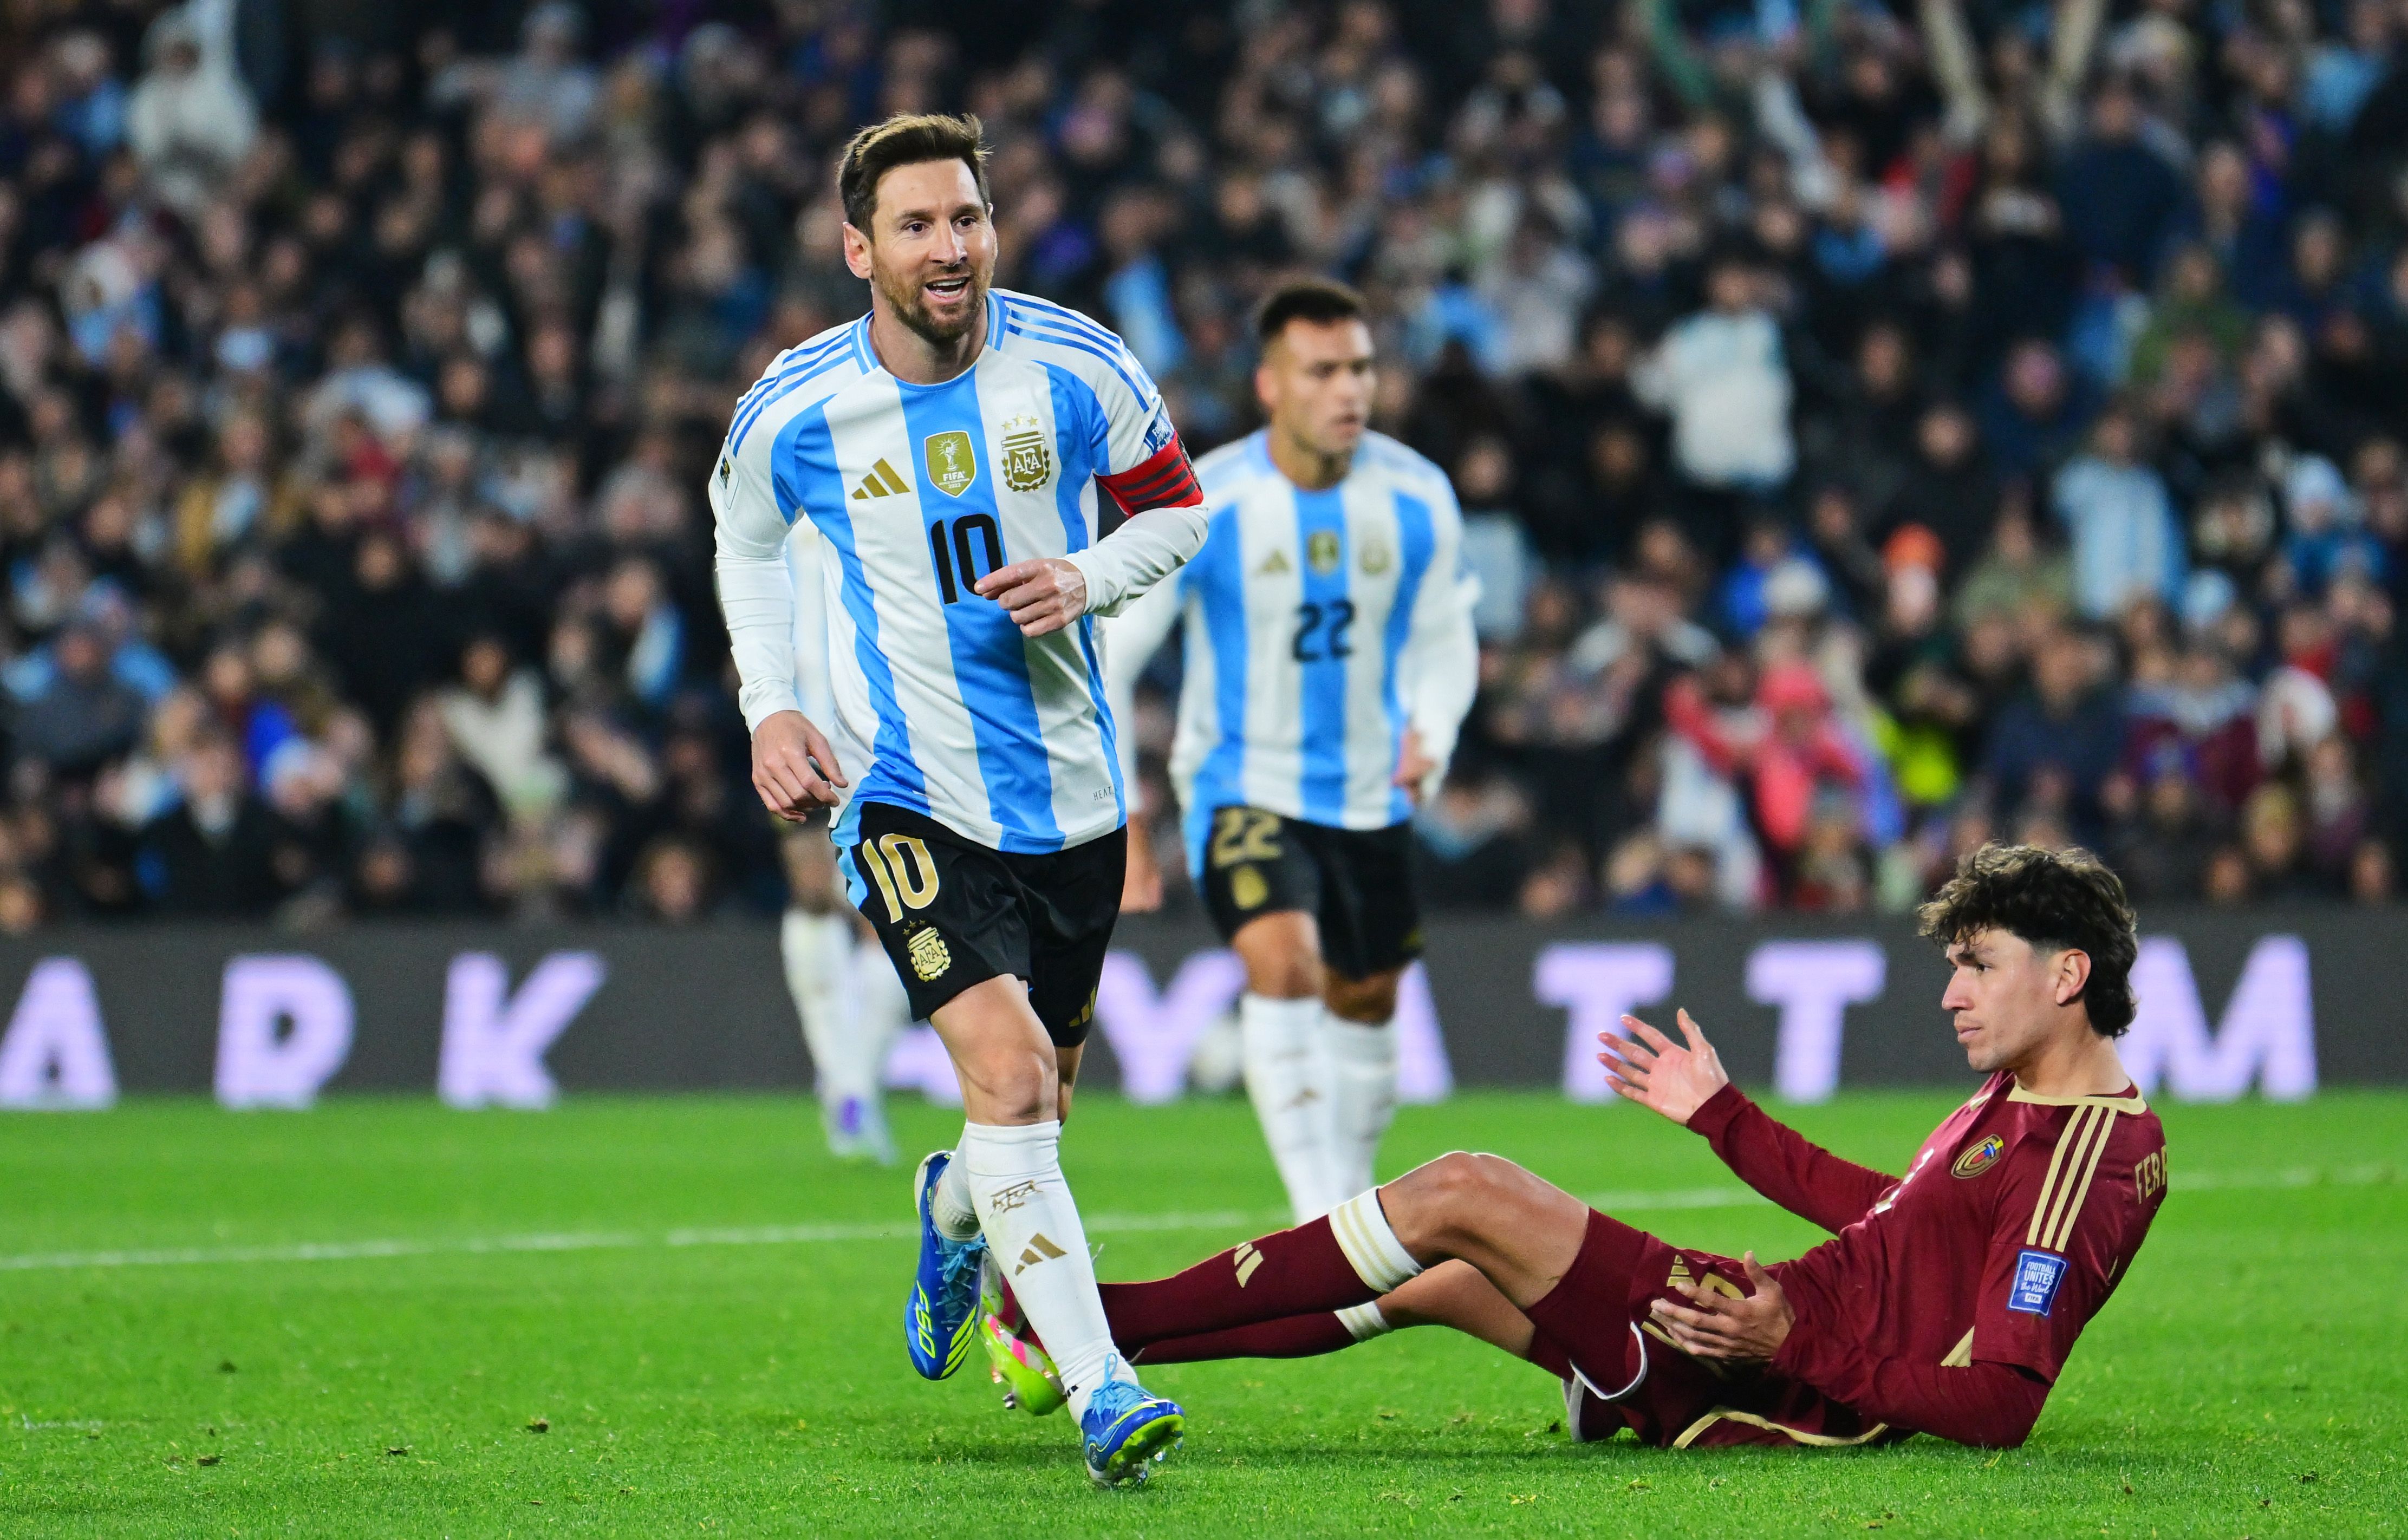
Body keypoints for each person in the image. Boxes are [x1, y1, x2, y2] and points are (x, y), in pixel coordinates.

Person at [986, 844, 2166, 1452]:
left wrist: (1791, 1342)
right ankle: (1097, 1334)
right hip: (1756, 1332)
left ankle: (1080, 1320)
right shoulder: (2019, 1102)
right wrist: (1724, 1119)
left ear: (2068, 976)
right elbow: (1897, 1222)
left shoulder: (2089, 1158)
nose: (1954, 993)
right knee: (1440, 1277)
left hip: (1777, 1382)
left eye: (1980, 966)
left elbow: (2005, 1400)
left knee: (1465, 1191)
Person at [708, 112, 1209, 1485]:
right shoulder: (798, 406)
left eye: (969, 220)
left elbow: (1177, 507)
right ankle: (1102, 1384)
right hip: (904, 790)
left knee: (1034, 1108)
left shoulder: (1078, 363)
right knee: (1006, 1072)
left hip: (1074, 796)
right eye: (919, 225)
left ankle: (950, 1201)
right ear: (857, 246)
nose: (950, 247)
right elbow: (743, 546)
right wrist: (775, 706)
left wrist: (1089, 577)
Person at [1108, 279, 1477, 1223]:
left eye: (1360, 367)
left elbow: (1445, 638)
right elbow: (1115, 652)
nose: (1349, 389)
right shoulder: (1206, 503)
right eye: (1323, 371)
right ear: (1272, 385)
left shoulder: (1417, 495)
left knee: (1368, 996)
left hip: (1369, 792)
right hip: (1243, 781)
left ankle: (1347, 1197)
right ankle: (1325, 1217)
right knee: (1283, 964)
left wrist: (1431, 731)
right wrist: (1125, 810)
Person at [777, 513, 911, 1165]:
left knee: (877, 916)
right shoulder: (770, 497)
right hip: (801, 729)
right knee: (819, 897)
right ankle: (850, 1089)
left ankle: (849, 1089)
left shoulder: (867, 491)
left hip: (870, 734)